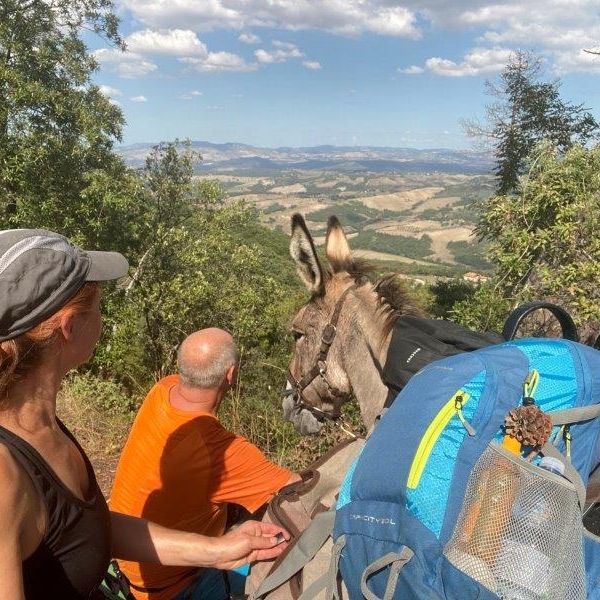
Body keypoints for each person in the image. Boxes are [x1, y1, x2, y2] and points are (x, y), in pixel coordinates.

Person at [0, 229, 289, 600]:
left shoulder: (34, 420)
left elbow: (86, 529)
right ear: (70, 327)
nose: (102, 317)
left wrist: (218, 550)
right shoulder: (6, 474)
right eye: (99, 306)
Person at [110, 328, 300, 600]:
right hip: (177, 586)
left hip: (128, 560)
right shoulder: (220, 452)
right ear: (230, 374)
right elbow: (300, 489)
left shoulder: (162, 389)